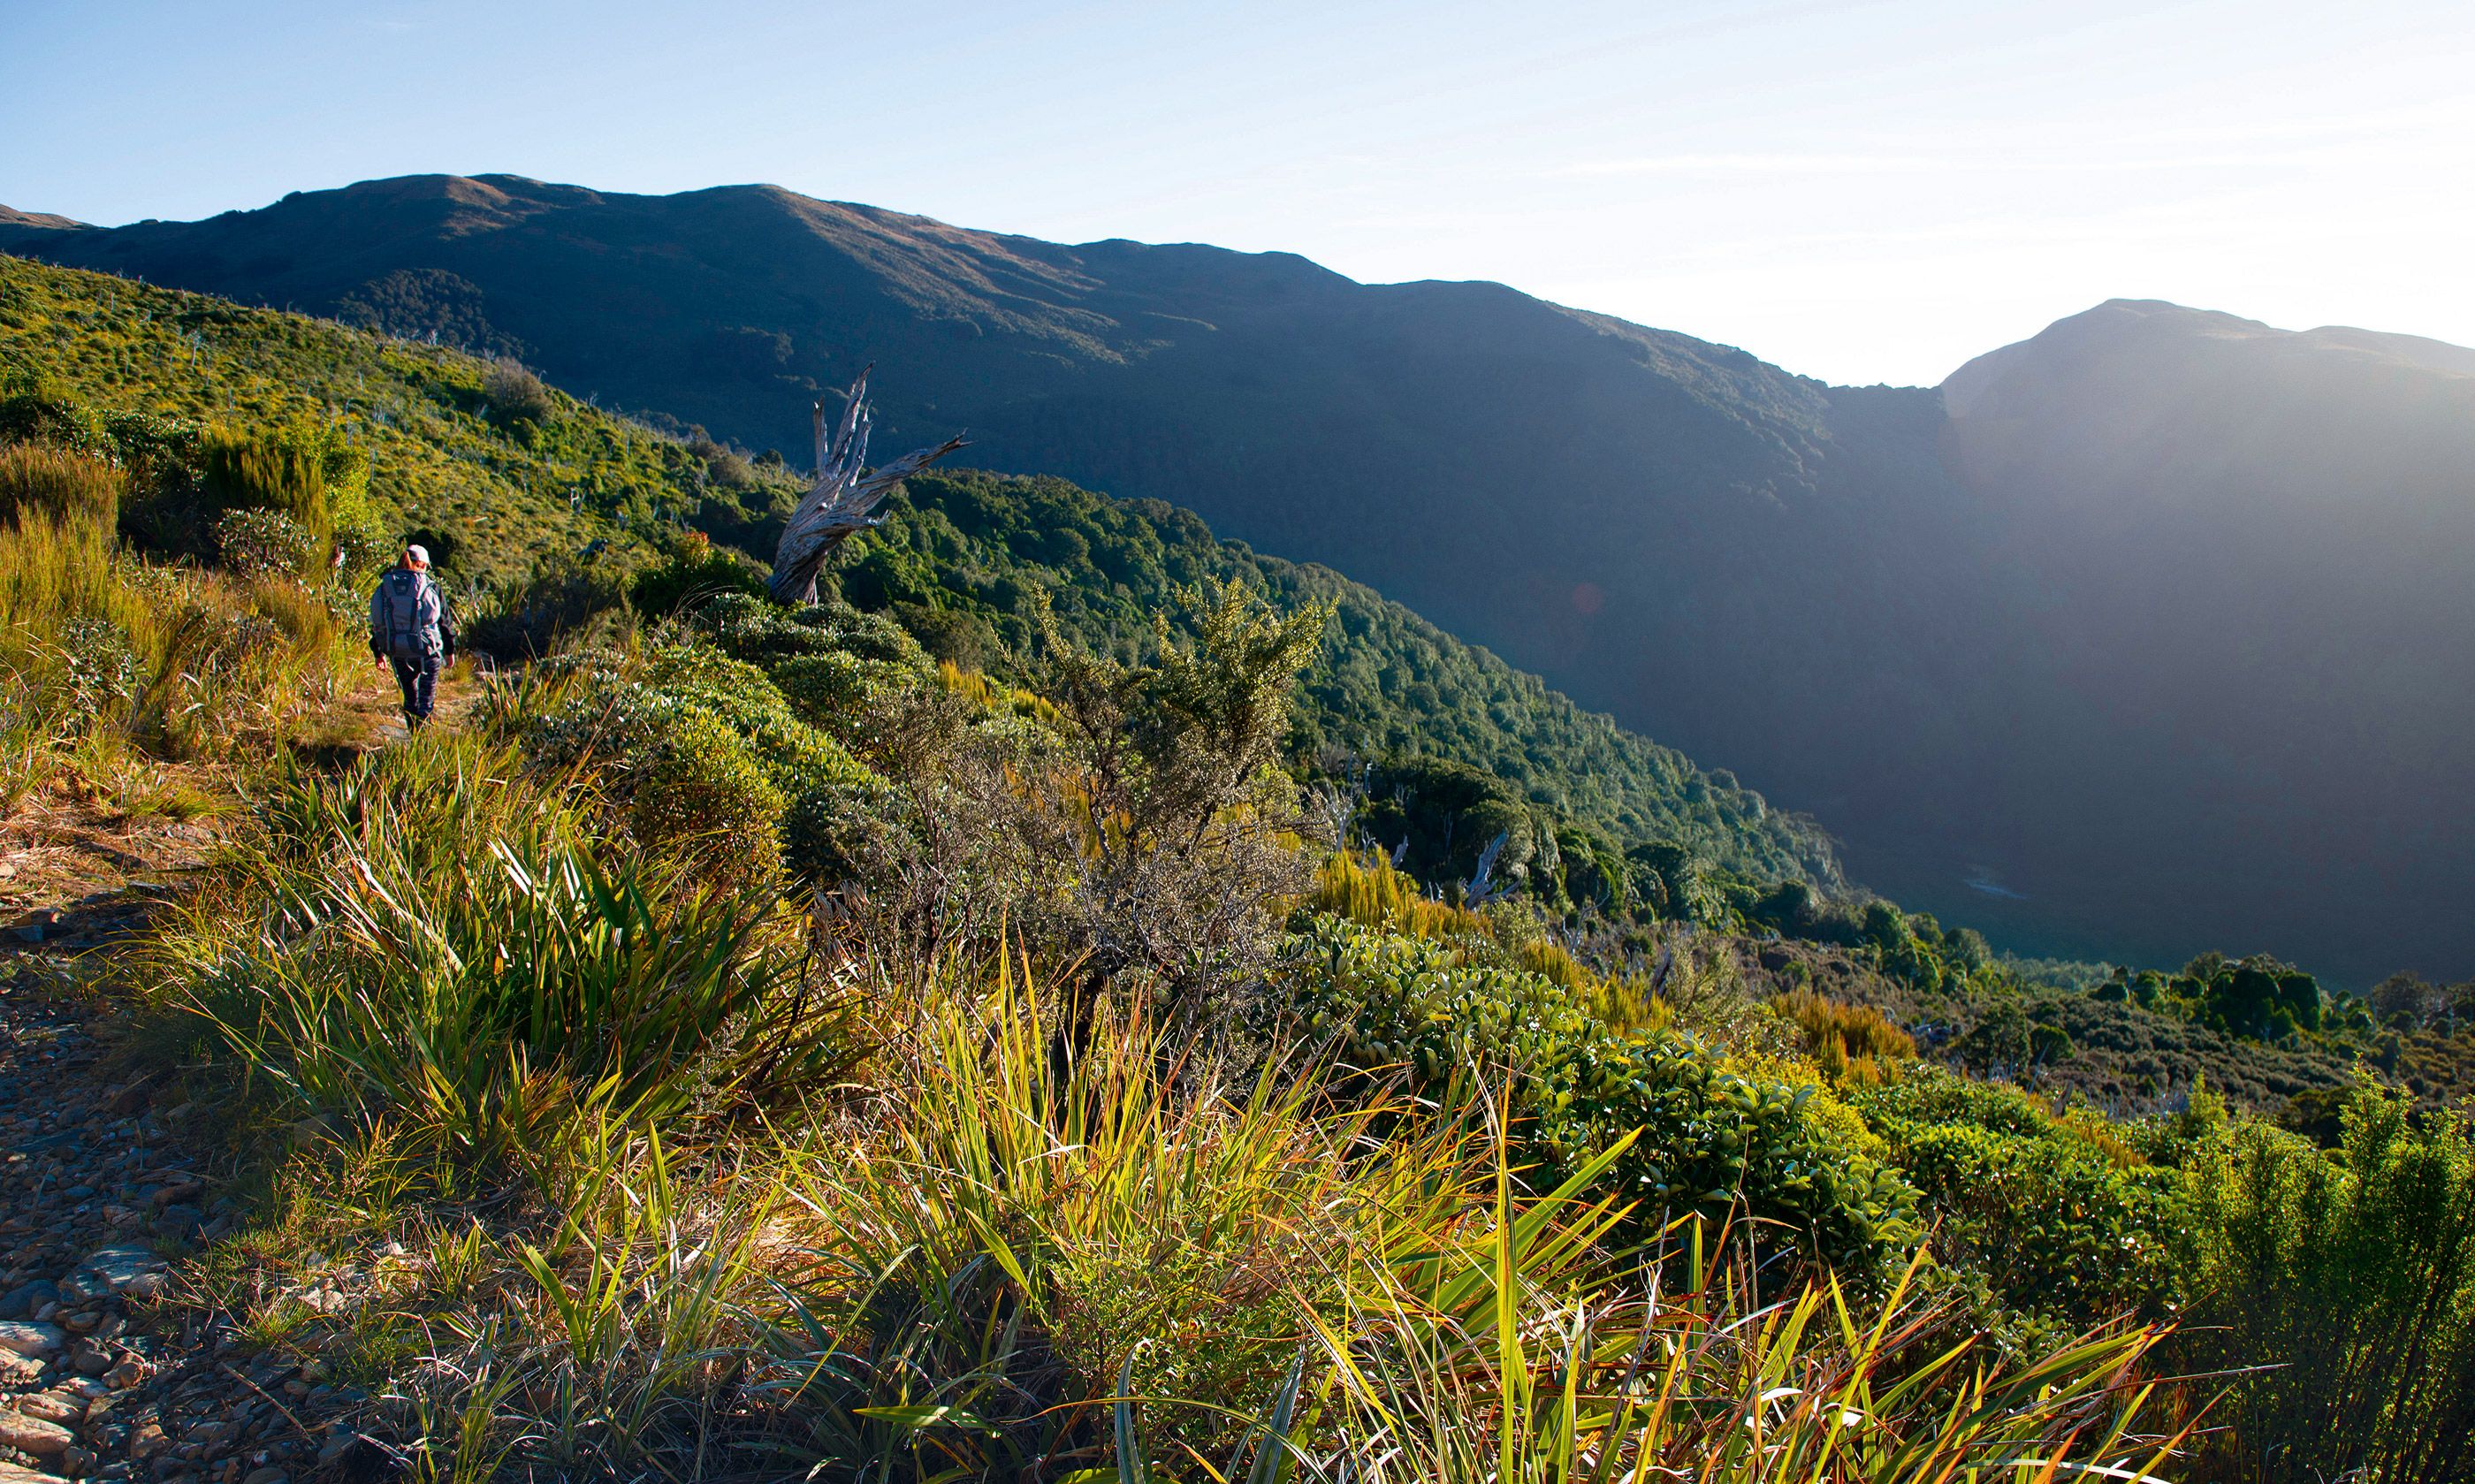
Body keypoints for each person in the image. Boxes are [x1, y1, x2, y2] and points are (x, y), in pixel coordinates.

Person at [369, 544, 456, 727]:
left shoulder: (385, 587)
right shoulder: (431, 587)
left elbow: (378, 622)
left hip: (397, 649)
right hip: (427, 650)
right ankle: (422, 740)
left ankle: (414, 734)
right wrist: (449, 651)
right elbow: (444, 622)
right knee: (426, 701)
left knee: (410, 698)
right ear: (422, 565)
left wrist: (378, 653)